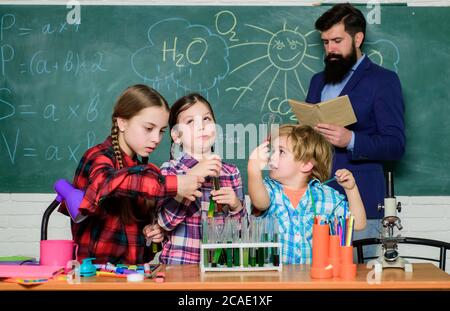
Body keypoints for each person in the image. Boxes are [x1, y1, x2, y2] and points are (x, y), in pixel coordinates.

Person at [60, 84, 204, 264]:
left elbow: (146, 248)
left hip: (132, 275)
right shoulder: (98, 156)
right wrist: (175, 184)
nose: (156, 139)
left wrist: (154, 235)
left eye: (161, 131)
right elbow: (107, 183)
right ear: (122, 122)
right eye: (148, 128)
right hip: (96, 276)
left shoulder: (146, 172)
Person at [306, 3, 405, 255]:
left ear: (358, 38)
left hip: (360, 204)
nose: (330, 49)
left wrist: (351, 139)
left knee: (355, 279)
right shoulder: (317, 81)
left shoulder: (383, 81)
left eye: (337, 40)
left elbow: (395, 145)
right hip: (315, 202)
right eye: (325, 42)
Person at [149, 93, 246, 264]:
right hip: (179, 267)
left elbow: (242, 233)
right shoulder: (170, 170)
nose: (201, 126)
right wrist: (192, 176)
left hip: (220, 267)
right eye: (190, 122)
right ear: (177, 136)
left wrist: (236, 206)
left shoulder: (231, 173)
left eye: (207, 119)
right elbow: (165, 223)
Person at [248, 124, 366, 264]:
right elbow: (260, 203)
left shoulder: (325, 196)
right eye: (272, 151)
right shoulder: (268, 189)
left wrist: (351, 189)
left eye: (281, 152)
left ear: (306, 165)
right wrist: (253, 169)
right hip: (273, 281)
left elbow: (357, 224)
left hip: (313, 281)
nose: (272, 157)